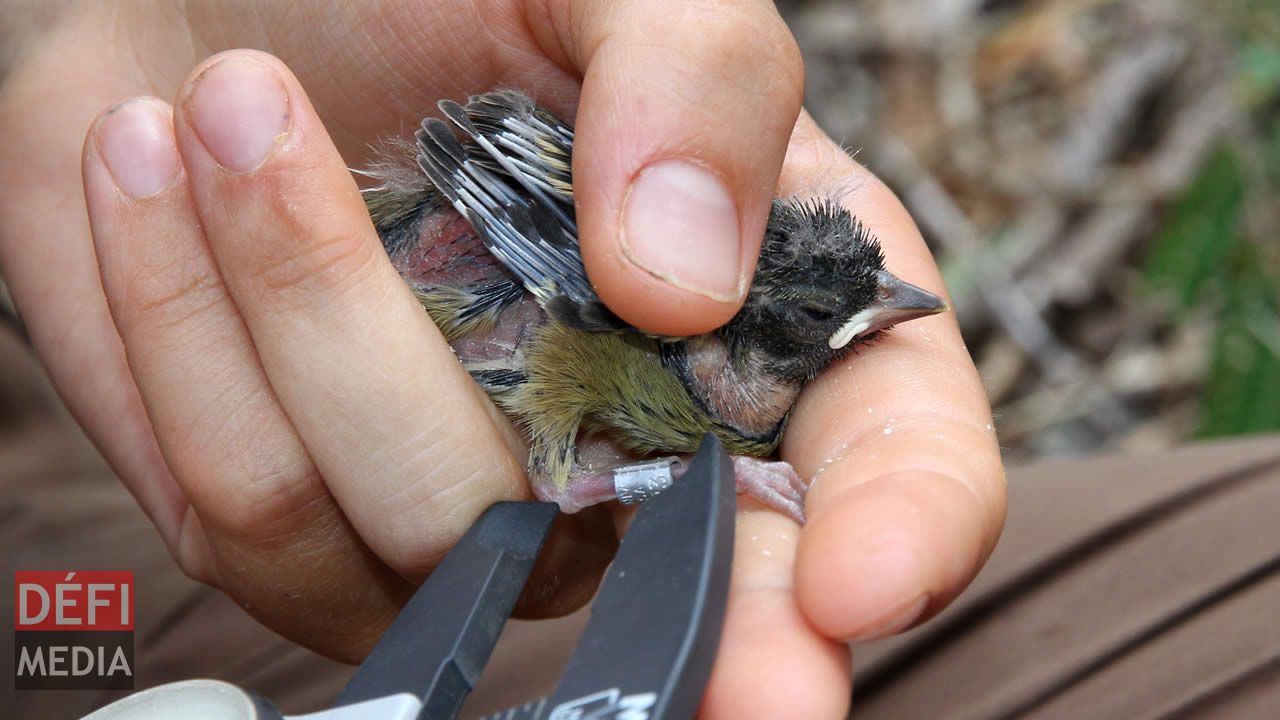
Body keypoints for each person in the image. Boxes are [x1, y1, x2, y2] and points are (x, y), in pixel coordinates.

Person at [0, 2, 1005, 717]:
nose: (896, 311)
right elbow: (565, 479)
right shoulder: (659, 344)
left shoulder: (715, 329)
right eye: (834, 311)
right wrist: (708, 476)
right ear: (751, 330)